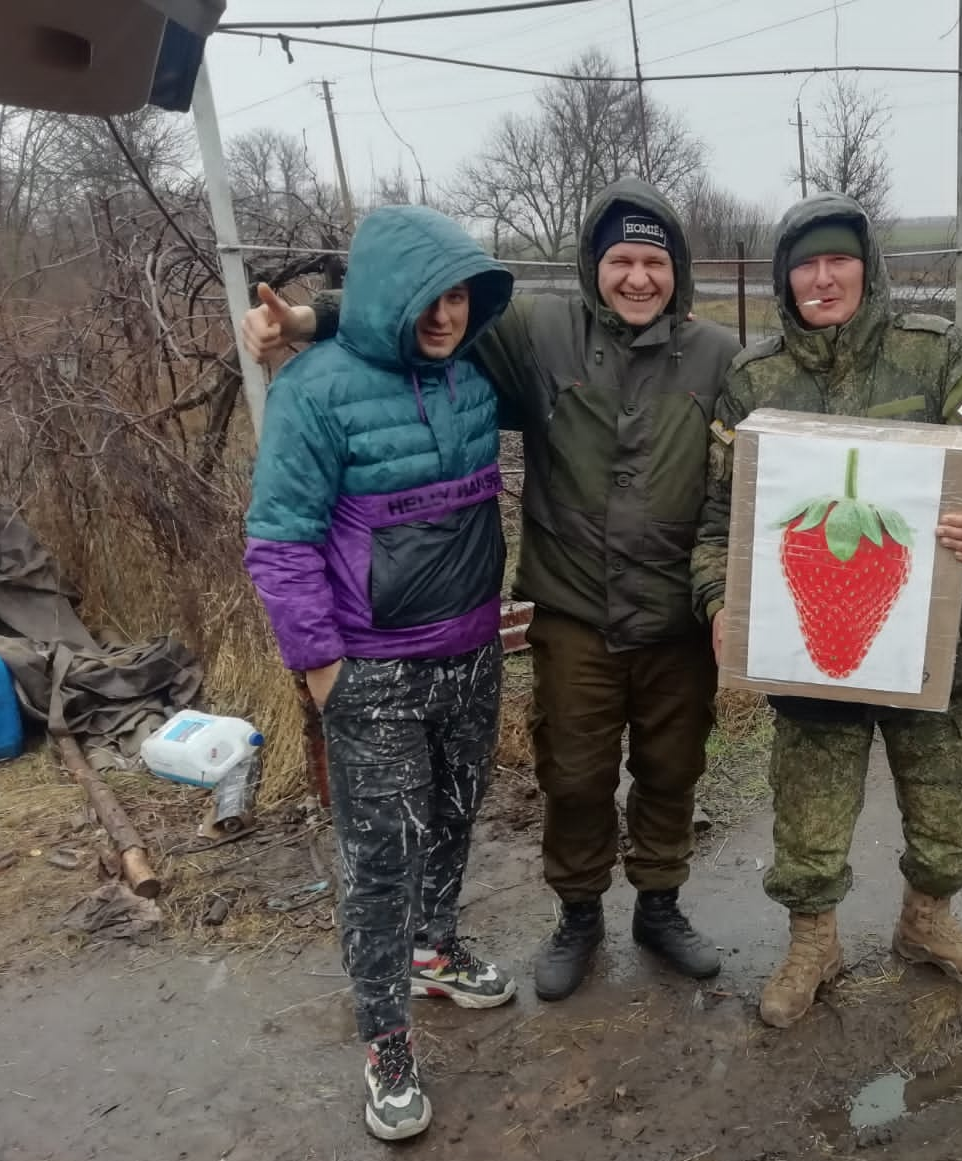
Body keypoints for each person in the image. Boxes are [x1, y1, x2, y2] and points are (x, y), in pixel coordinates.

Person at [243, 180, 741, 1003]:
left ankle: (660, 906)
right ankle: (578, 917)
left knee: (672, 768)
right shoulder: (540, 330)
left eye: (656, 261)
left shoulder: (719, 355)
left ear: (678, 272)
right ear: (594, 265)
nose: (638, 278)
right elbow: (413, 301)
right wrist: (308, 319)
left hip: (676, 617)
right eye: (621, 259)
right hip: (576, 611)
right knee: (574, 776)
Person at [691, 193, 962, 1030]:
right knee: (809, 817)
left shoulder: (936, 359)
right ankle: (815, 943)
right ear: (786, 280)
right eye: (805, 265)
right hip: (810, 662)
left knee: (947, 803)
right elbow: (720, 520)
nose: (823, 278)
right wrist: (718, 600)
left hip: (932, 643)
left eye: (838, 260)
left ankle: (927, 923)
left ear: (867, 267)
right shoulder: (754, 384)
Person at [244, 204, 518, 1141]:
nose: (443, 316)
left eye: (458, 297)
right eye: (424, 298)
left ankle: (436, 949)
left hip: (472, 653)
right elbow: (279, 542)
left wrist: (313, 311)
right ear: (385, 297)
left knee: (454, 812)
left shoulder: (475, 376)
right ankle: (386, 1036)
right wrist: (322, 671)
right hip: (372, 674)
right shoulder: (312, 393)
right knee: (378, 859)